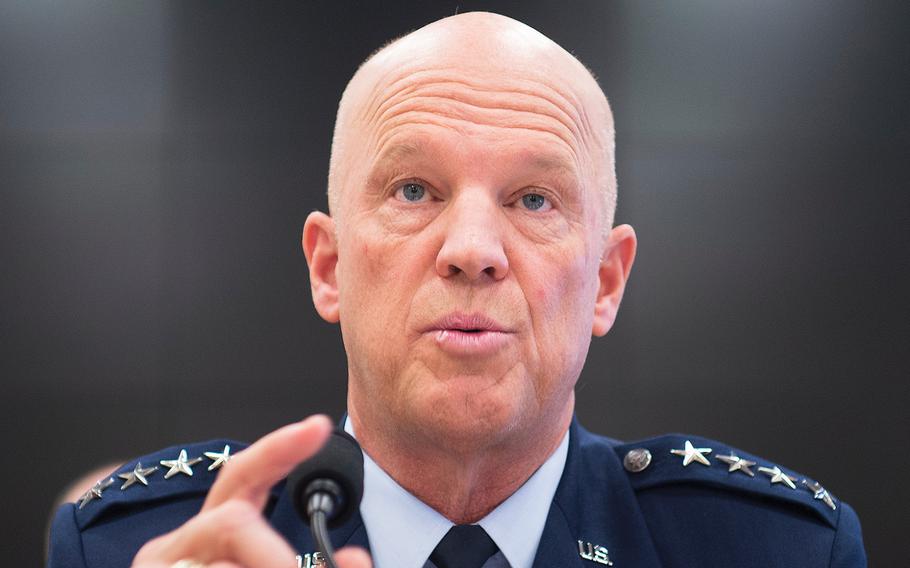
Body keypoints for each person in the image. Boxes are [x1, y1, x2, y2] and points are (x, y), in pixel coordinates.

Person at [47, 12, 866, 568]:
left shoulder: (778, 547)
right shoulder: (135, 545)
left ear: (606, 284)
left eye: (533, 200)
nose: (472, 251)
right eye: (414, 191)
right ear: (328, 267)